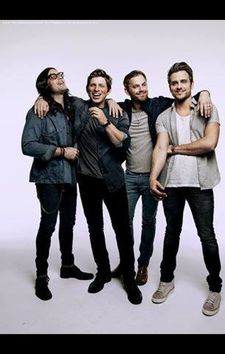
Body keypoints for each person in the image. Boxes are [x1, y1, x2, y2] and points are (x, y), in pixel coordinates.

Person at [34, 69, 142, 305]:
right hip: (87, 180)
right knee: (95, 229)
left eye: (101, 86)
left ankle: (129, 277)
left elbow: (122, 142)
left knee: (122, 230)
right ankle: (102, 271)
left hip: (114, 181)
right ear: (87, 88)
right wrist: (40, 98)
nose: (96, 89)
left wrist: (105, 122)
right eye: (93, 85)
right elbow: (55, 96)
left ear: (108, 90)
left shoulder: (117, 111)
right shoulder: (78, 106)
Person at [111, 70, 212, 286]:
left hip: (154, 177)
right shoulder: (121, 109)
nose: (141, 89)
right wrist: (109, 99)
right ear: (127, 90)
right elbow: (95, 103)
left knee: (149, 223)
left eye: (144, 84)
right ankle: (126, 262)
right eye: (135, 86)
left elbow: (186, 95)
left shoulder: (159, 105)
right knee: (124, 223)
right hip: (129, 176)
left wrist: (205, 93)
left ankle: (143, 265)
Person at [149, 62, 222, 316]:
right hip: (173, 184)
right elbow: (160, 148)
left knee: (207, 235)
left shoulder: (207, 109)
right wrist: (153, 176)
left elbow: (209, 143)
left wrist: (177, 149)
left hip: (200, 185)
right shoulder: (163, 117)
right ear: (169, 86)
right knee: (171, 234)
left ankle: (215, 288)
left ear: (192, 83)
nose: (178, 86)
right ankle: (166, 281)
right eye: (174, 82)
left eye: (183, 81)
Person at [21, 67, 93, 301]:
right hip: (48, 178)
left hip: (71, 177)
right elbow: (28, 145)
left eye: (60, 73)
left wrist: (110, 98)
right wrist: (61, 151)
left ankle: (67, 265)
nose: (60, 77)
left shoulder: (74, 105)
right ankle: (42, 275)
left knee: (68, 224)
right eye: (53, 76)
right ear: (44, 84)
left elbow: (95, 101)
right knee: (48, 225)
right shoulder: (38, 111)